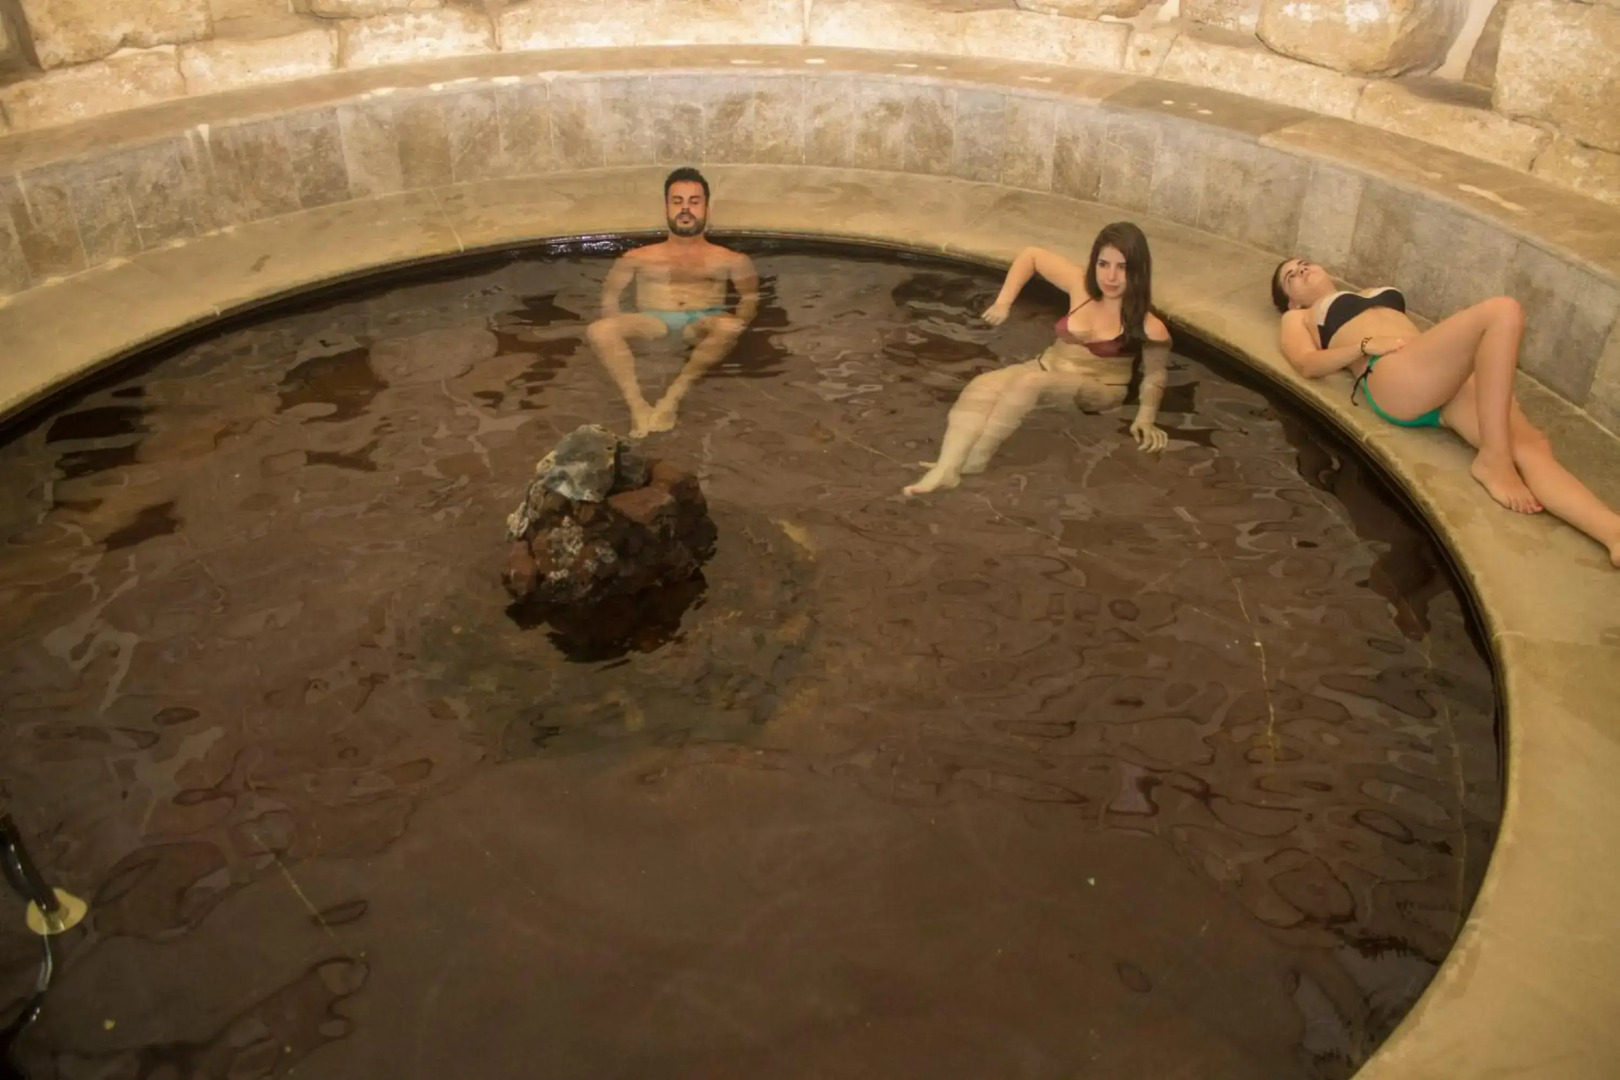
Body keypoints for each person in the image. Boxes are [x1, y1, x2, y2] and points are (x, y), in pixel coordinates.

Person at [1272, 258, 1620, 566]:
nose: (1300, 269)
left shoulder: (1366, 291)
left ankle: (1613, 534)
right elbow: (1306, 363)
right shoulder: (1298, 316)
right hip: (1394, 376)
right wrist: (1362, 347)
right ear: (1291, 299)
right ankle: (1493, 461)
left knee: (1531, 445)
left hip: (1438, 376)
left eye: (1303, 263)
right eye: (1291, 276)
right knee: (1503, 310)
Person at [904, 222, 1172, 496]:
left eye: (1122, 267)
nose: (1111, 276)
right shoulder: (1080, 286)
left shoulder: (1150, 326)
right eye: (1104, 264)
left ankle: (975, 460)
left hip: (1100, 390)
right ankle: (948, 467)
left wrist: (1146, 417)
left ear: (1138, 270)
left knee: (1030, 383)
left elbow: (1155, 374)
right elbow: (1031, 256)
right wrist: (1003, 302)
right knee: (983, 384)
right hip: (1046, 367)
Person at [586, 168, 759, 437]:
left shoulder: (731, 260)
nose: (685, 209)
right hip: (654, 322)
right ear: (666, 207)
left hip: (702, 322)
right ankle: (638, 407)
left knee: (730, 327)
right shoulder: (636, 258)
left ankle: (672, 397)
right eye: (677, 201)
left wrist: (737, 327)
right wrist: (620, 327)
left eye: (694, 201)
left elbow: (749, 299)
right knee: (599, 330)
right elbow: (610, 297)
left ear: (706, 207)